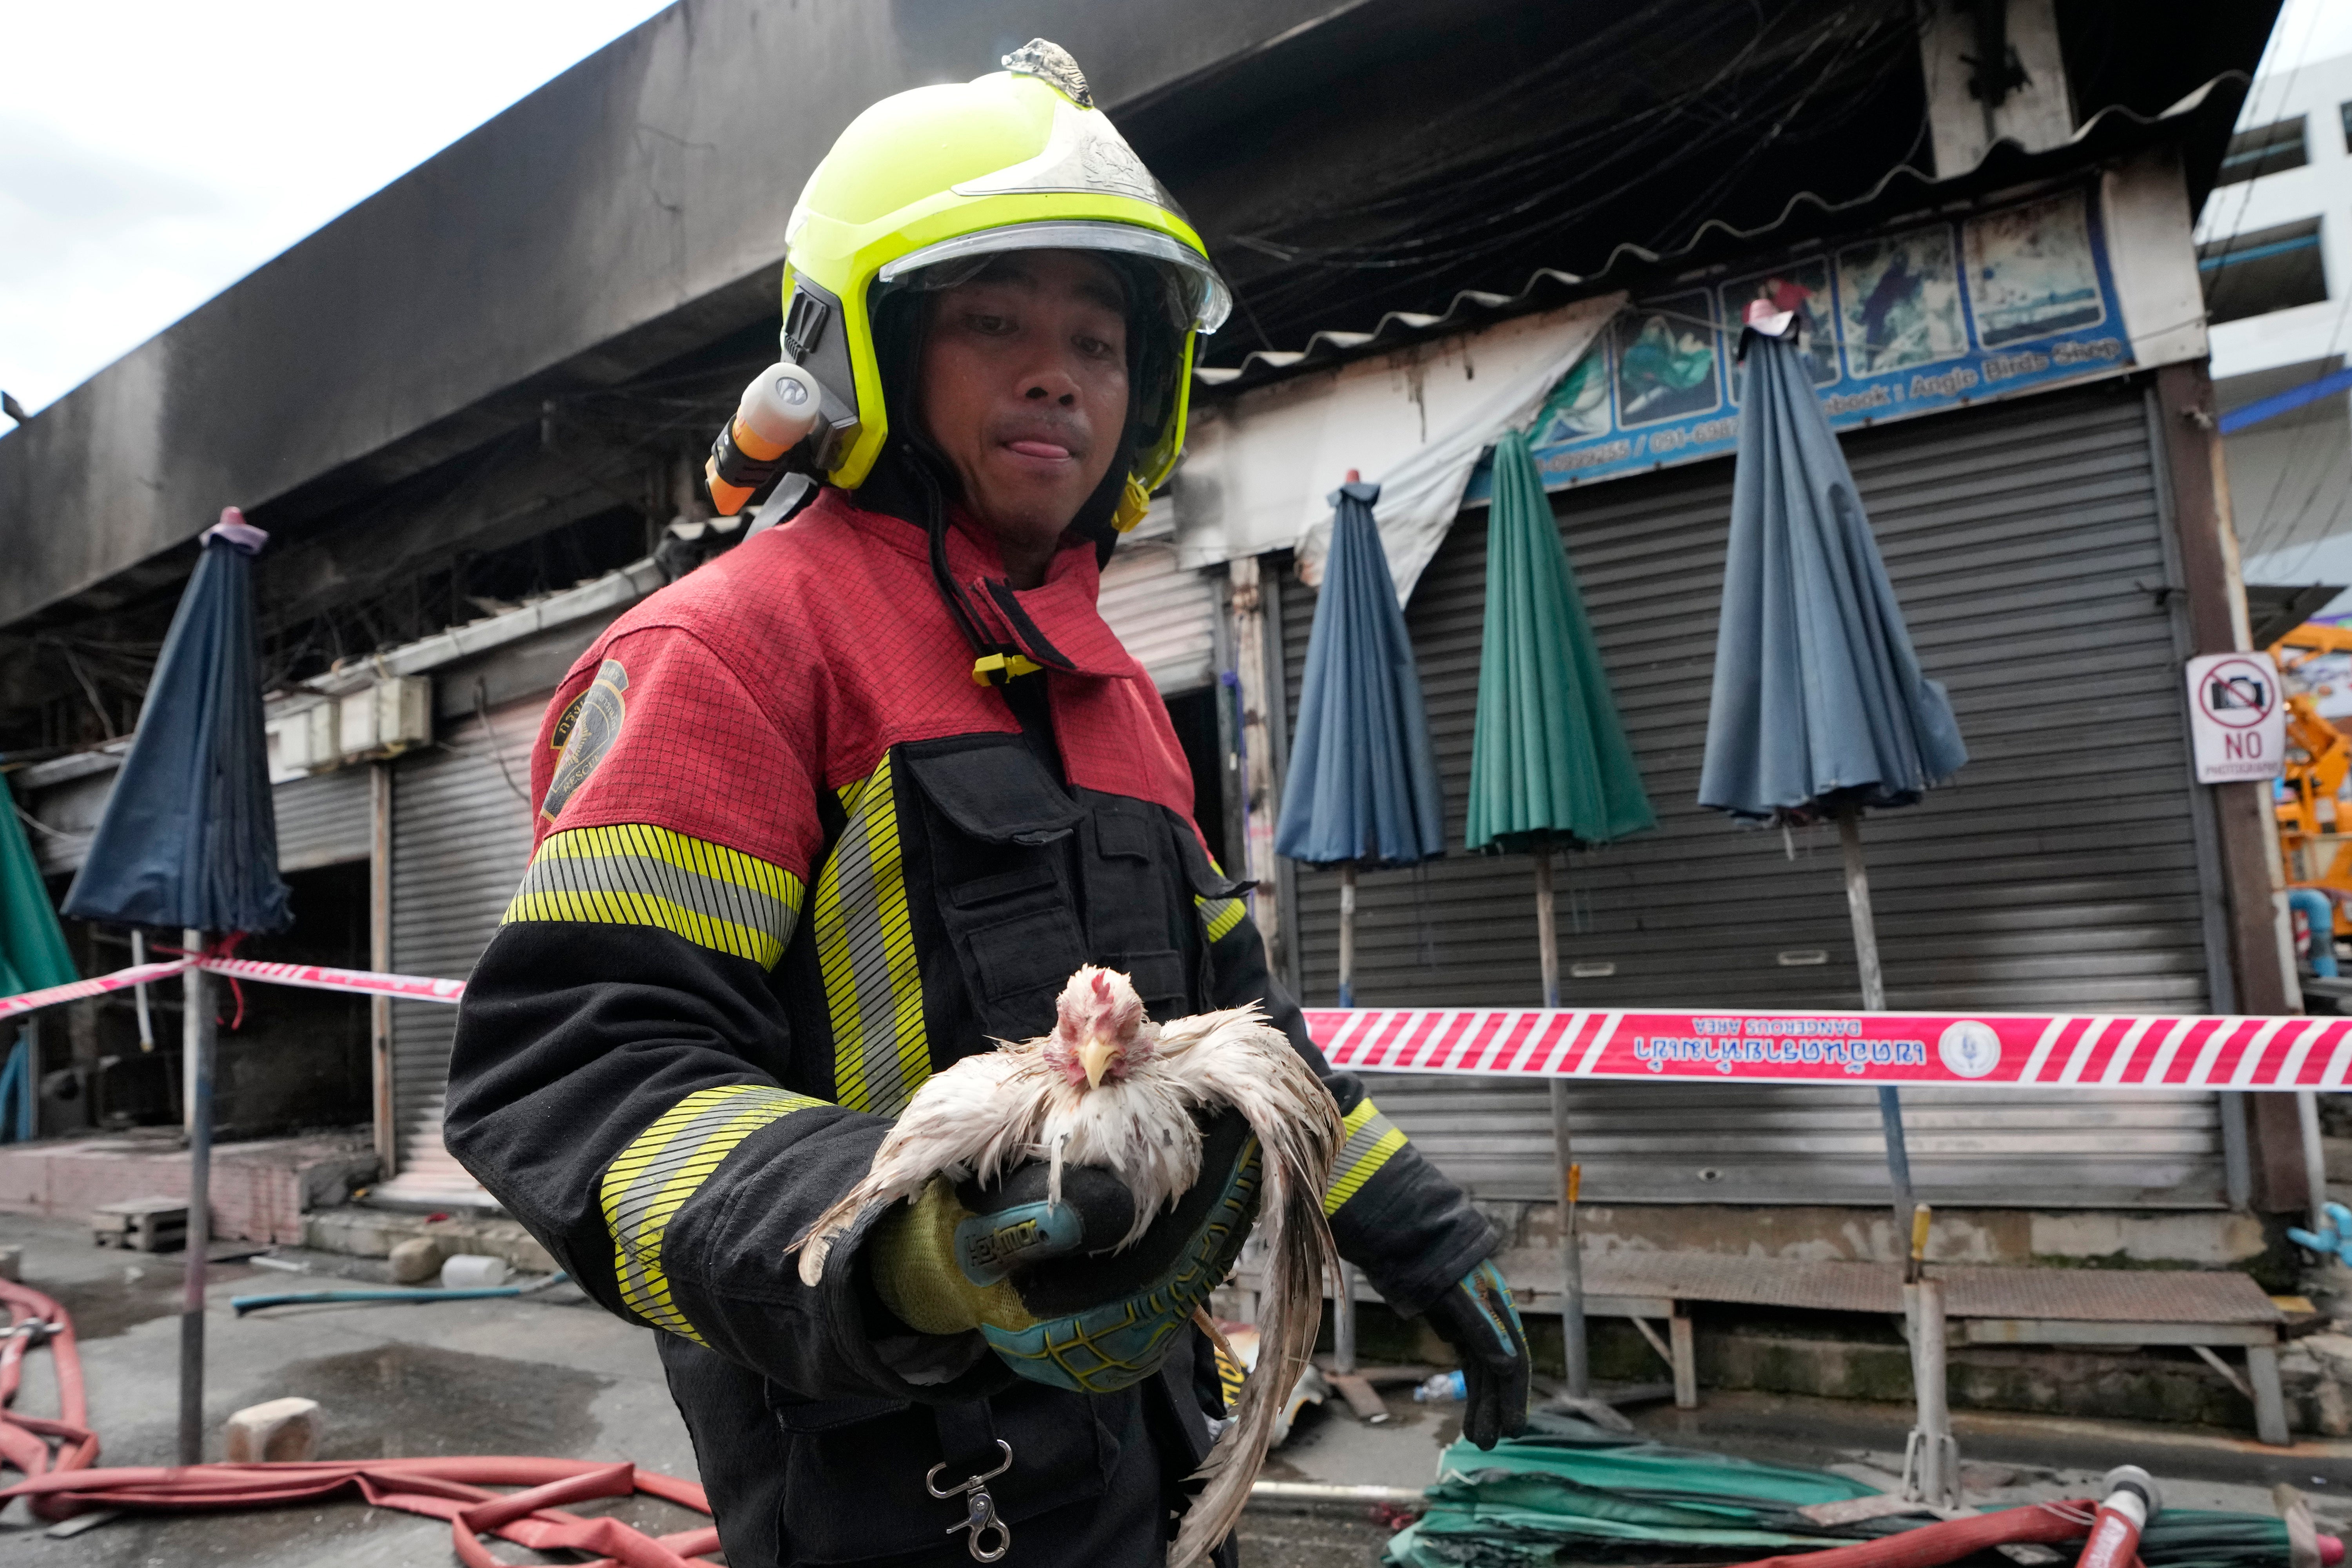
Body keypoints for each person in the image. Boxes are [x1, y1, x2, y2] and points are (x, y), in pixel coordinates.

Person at [446, 40, 1528, 1567]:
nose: (1060, 374)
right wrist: (907, 1241)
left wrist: (1425, 1236)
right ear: (859, 353)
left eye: (1099, 340)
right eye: (996, 320)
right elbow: (576, 1071)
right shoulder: (732, 653)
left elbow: (1242, 1020)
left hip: (1154, 1462)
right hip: (902, 1497)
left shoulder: (1115, 690)